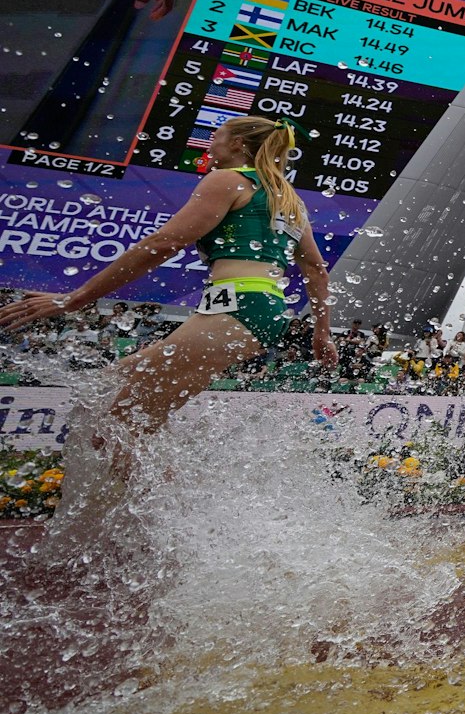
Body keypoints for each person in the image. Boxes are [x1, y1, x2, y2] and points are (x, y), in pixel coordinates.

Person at [0, 115, 337, 534]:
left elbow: (163, 243)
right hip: (256, 313)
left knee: (110, 419)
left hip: (234, 312)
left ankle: (185, 530)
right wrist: (322, 331)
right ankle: (137, 521)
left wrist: (77, 299)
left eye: (217, 135)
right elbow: (317, 271)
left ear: (239, 145)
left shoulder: (227, 180)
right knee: (113, 412)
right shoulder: (289, 198)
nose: (211, 142)